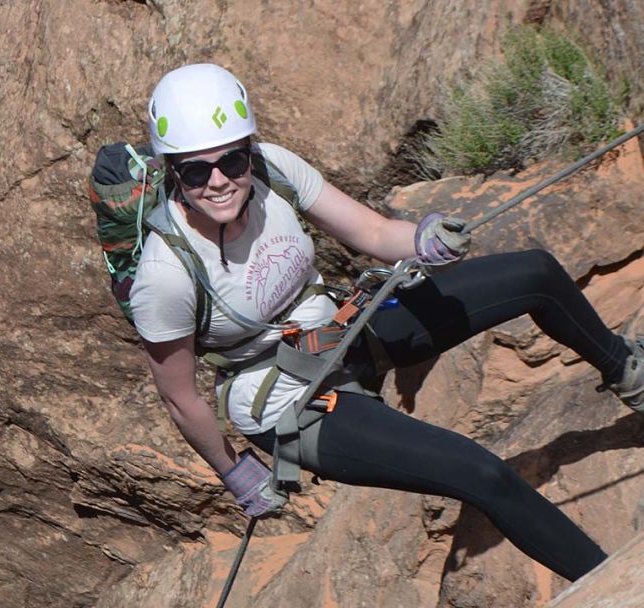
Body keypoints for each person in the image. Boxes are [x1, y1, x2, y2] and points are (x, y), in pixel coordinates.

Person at [129, 63, 644, 582]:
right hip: (288, 402)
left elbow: (372, 232)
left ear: (248, 149)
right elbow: (180, 395)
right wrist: (233, 471)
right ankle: (611, 586)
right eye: (196, 170)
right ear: (171, 169)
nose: (218, 181)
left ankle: (629, 372)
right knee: (479, 471)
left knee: (534, 273)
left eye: (231, 161)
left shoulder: (271, 170)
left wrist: (423, 239)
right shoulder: (166, 273)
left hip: (345, 333)